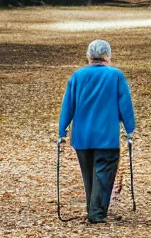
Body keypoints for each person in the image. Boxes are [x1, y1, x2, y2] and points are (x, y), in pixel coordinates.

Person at [58, 39, 135, 224]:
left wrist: (62, 131)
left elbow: (68, 105)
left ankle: (92, 208)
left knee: (89, 175)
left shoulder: (77, 76)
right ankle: (96, 213)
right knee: (103, 173)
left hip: (82, 136)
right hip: (106, 135)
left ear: (88, 56)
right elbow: (125, 103)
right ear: (107, 55)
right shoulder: (115, 75)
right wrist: (129, 128)